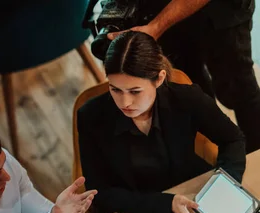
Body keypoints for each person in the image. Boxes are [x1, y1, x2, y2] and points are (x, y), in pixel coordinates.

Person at [77, 31, 246, 213]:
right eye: (115, 90)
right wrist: (166, 204)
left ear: (159, 79)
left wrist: (222, 187)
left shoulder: (187, 99)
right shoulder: (91, 116)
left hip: (191, 195)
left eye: (135, 91)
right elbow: (100, 192)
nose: (125, 103)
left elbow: (233, 139)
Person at [106, 0, 260, 153]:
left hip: (221, 11)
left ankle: (257, 157)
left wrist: (156, 26)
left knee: (239, 89)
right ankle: (215, 156)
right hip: (164, 15)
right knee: (191, 91)